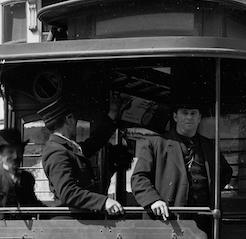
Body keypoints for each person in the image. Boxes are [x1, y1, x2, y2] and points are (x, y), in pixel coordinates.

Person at [130, 93, 233, 231]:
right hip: (167, 220)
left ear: (199, 117)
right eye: (184, 113)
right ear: (175, 116)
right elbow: (139, 178)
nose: (189, 117)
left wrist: (209, 192)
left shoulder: (210, 146)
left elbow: (226, 172)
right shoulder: (155, 144)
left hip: (202, 221)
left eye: (193, 113)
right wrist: (154, 200)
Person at [40, 97, 123, 215]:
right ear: (68, 118)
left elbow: (94, 142)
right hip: (73, 223)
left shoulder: (66, 147)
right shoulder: (56, 152)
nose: (76, 122)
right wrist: (103, 202)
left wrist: (113, 113)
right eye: (74, 118)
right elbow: (67, 193)